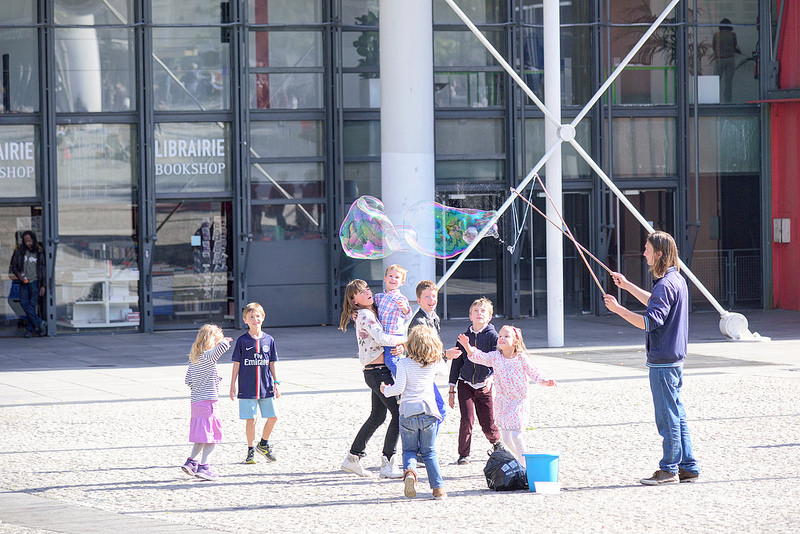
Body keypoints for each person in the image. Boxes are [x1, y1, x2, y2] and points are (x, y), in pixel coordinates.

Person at [603, 230, 701, 485]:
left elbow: (650, 321)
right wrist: (626, 285)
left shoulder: (667, 284)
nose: (643, 253)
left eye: (647, 249)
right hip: (673, 358)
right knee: (677, 414)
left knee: (667, 417)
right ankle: (688, 467)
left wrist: (618, 310)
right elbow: (655, 302)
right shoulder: (675, 279)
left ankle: (668, 470)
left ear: (659, 254)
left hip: (664, 361)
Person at [457, 325, 556, 462]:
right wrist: (467, 346)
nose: (502, 338)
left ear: (515, 342)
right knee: (506, 439)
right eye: (500, 336)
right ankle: (523, 460)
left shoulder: (521, 358)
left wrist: (544, 380)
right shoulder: (496, 356)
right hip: (503, 402)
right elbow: (479, 357)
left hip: (519, 402)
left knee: (516, 435)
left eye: (506, 336)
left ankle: (526, 467)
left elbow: (532, 371)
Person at [339, 279, 406, 479]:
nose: (367, 292)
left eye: (367, 288)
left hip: (377, 370)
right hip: (378, 372)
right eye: (361, 292)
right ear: (354, 300)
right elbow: (383, 339)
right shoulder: (365, 314)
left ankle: (353, 458)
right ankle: (387, 462)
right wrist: (406, 339)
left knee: (377, 417)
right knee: (398, 414)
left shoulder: (368, 313)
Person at [381, 325, 449, 500]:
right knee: (429, 452)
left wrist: (385, 390)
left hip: (408, 412)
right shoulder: (434, 363)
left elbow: (399, 388)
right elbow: (444, 373)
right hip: (428, 411)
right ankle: (438, 489)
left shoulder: (403, 363)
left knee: (409, 450)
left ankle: (410, 473)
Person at [448, 297, 503, 464]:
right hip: (465, 383)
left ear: (490, 316)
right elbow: (456, 363)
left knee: (487, 422)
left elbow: (497, 360)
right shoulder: (463, 337)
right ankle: (463, 454)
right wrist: (451, 389)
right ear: (470, 316)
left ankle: (497, 444)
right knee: (467, 419)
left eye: (483, 311)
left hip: (484, 385)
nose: (479, 313)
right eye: (476, 311)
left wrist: (491, 378)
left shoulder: (493, 336)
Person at [229, 302, 280, 465]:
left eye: (257, 316)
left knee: (273, 417)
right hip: (247, 387)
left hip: (266, 387)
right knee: (251, 420)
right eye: (251, 317)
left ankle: (263, 444)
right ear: (245, 320)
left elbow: (272, 362)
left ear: (262, 318)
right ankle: (250, 449)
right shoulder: (242, 341)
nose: (255, 319)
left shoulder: (269, 340)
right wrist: (232, 385)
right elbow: (236, 363)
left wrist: (276, 382)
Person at [182, 324, 232, 481]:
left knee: (201, 436)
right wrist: (224, 340)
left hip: (195, 402)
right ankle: (204, 466)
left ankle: (191, 462)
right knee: (212, 437)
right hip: (208, 402)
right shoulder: (209, 356)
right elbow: (222, 348)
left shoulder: (194, 359)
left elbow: (188, 381)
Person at [408, 280, 460, 427]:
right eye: (427, 297)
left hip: (427, 371)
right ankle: (425, 446)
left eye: (434, 296)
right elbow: (422, 351)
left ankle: (423, 446)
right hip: (419, 373)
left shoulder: (434, 318)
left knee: (430, 411)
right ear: (418, 300)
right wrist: (445, 355)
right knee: (439, 409)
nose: (432, 300)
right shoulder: (419, 321)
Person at [374, 264, 412, 376]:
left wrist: (404, 309)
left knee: (392, 361)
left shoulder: (400, 298)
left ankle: (404, 380)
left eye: (397, 277)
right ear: (385, 278)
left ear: (402, 282)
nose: (393, 279)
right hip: (382, 336)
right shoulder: (378, 297)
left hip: (394, 335)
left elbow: (408, 314)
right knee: (384, 362)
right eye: (390, 276)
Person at [9, 230, 46, 338]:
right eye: (25, 241)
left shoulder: (39, 251)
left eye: (29, 241)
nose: (27, 243)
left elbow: (43, 269)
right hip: (24, 281)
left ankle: (30, 329)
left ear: (33, 240)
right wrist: (19, 275)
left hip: (35, 281)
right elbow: (14, 266)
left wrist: (43, 285)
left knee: (32, 305)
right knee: (24, 303)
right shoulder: (20, 251)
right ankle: (40, 323)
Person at [712, 18, 741, 103]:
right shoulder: (732, 34)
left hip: (719, 59)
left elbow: (714, 47)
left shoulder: (716, 35)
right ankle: (728, 101)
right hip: (730, 59)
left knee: (716, 82)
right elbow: (734, 46)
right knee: (728, 83)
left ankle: (714, 100)